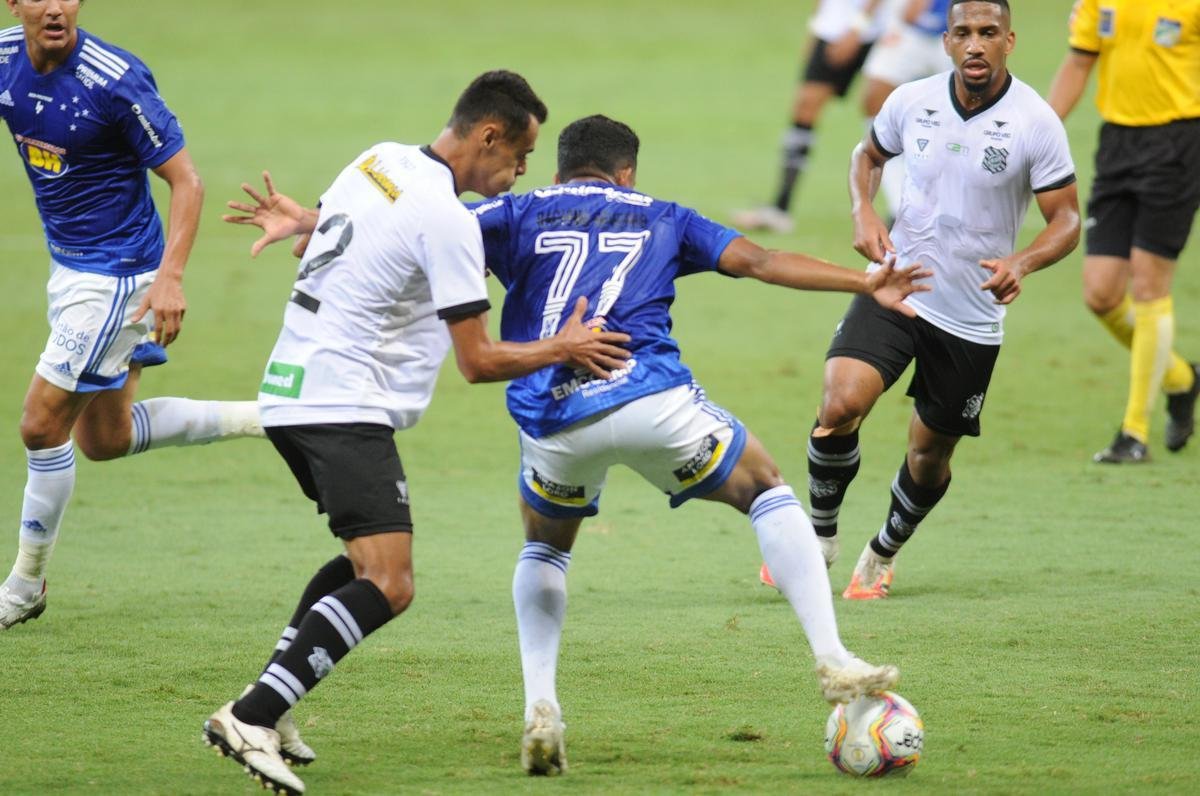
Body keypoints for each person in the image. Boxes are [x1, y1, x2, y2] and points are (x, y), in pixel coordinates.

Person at [201, 72, 633, 796]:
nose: (522, 171)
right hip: (344, 403)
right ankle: (251, 715)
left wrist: (307, 220)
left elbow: (356, 228)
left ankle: (272, 707)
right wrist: (566, 346)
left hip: (292, 389)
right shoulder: (449, 220)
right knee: (390, 584)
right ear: (489, 136)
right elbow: (478, 360)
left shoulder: (379, 159)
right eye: (521, 155)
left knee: (362, 561)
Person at [470, 115, 931, 775]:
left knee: (545, 544)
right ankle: (831, 655)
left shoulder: (512, 211)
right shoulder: (663, 214)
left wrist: (318, 224)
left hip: (553, 417)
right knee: (766, 488)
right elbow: (763, 262)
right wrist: (864, 282)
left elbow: (418, 230)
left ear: (558, 171)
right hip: (650, 399)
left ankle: (540, 705)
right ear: (627, 173)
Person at [802, 0, 1081, 601]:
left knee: (928, 456)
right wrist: (862, 208)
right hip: (897, 285)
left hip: (971, 314)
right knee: (839, 404)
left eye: (988, 33)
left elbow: (1067, 219)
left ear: (1010, 40)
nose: (975, 44)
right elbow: (866, 156)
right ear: (947, 41)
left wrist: (1022, 261)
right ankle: (818, 539)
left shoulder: (1036, 121)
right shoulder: (912, 100)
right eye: (963, 33)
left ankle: (882, 553)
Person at [0, 0, 263, 630]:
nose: (57, 7)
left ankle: (22, 587)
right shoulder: (6, 58)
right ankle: (271, 416)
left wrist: (171, 278)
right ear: (15, 3)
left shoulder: (114, 79)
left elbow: (188, 181)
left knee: (40, 427)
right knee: (104, 440)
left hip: (120, 276)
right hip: (71, 268)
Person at [1047, 0, 1200, 463]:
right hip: (1117, 144)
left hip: (1179, 141)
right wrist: (1036, 135)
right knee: (1101, 292)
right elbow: (1078, 62)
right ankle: (1182, 380)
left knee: (1150, 285)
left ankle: (1134, 433)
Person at [733, 0, 891, 234]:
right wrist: (815, 25)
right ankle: (781, 208)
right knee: (805, 108)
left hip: (876, 31)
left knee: (883, 116)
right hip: (833, 29)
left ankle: (901, 211)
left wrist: (858, 26)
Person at [860, 0, 953, 222]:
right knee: (874, 102)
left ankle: (945, 200)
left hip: (957, 29)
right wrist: (860, 23)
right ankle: (898, 207)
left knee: (960, 113)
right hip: (907, 30)